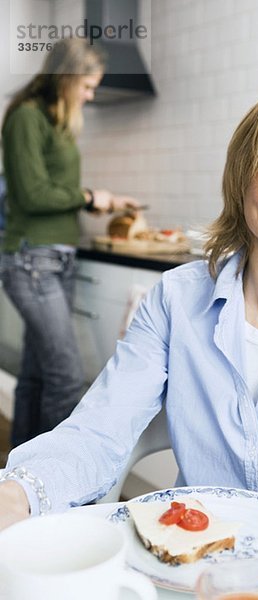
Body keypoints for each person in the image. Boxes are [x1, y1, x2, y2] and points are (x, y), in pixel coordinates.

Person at [1, 77, 258, 531]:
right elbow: (99, 430)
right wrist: (19, 494)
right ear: (242, 176)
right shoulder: (174, 301)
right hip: (188, 560)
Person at [0, 38, 140, 448]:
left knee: (38, 374)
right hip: (31, 259)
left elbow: (53, 190)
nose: (91, 94)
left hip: (56, 259)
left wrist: (97, 202)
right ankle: (59, 485)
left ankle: (18, 479)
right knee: (65, 377)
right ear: (66, 76)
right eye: (87, 85)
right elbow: (31, 195)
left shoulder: (56, 121)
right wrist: (88, 197)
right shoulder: (26, 117)